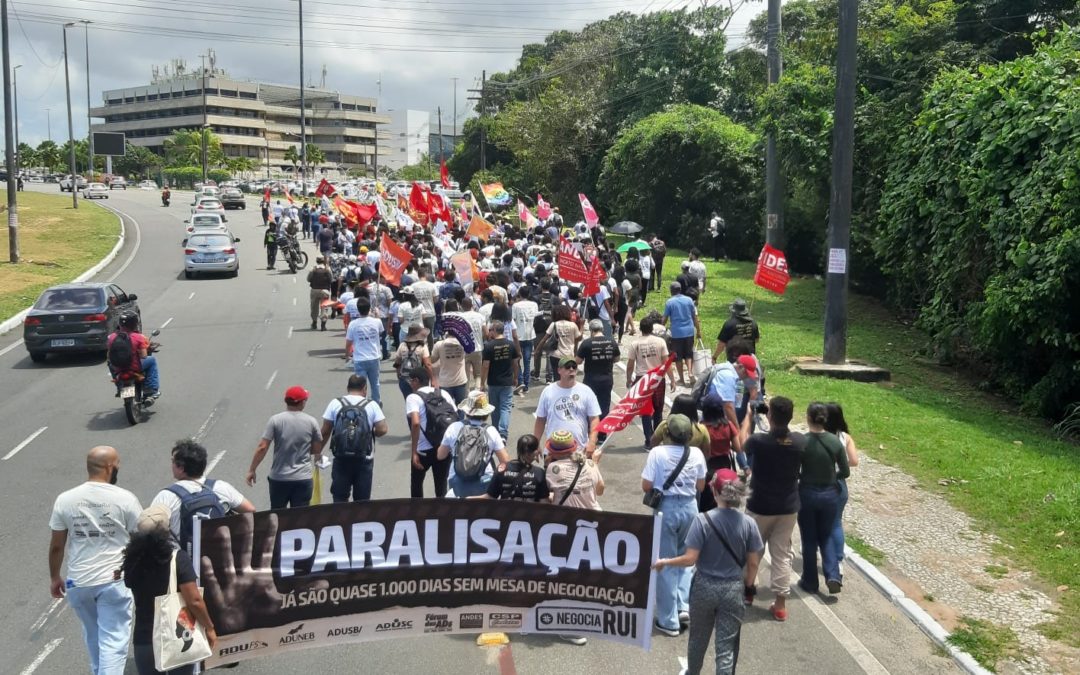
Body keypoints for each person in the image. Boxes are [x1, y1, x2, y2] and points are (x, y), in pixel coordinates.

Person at [653, 469, 763, 674]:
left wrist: (665, 561)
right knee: (726, 646)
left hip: (704, 586)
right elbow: (753, 564)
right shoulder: (749, 524)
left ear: (714, 491)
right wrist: (748, 586)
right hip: (732, 588)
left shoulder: (702, 521)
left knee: (698, 639)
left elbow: (690, 559)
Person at [49, 446, 143, 675]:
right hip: (113, 581)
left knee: (93, 635)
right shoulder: (125, 498)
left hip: (77, 583)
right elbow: (141, 538)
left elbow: (57, 546)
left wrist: (55, 578)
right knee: (113, 640)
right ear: (110, 467)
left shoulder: (65, 499)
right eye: (117, 464)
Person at [123, 505, 217, 675]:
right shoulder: (177, 559)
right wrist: (209, 627)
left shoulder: (132, 561)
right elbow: (194, 600)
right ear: (165, 532)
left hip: (144, 639)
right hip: (178, 637)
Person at [641, 414, 708, 637]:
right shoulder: (697, 453)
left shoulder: (657, 453)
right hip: (690, 506)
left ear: (667, 433)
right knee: (686, 559)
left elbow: (646, 484)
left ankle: (668, 620)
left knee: (664, 562)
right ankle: (683, 605)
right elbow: (700, 485)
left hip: (666, 508)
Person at [745, 396, 804, 621]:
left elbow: (742, 442)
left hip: (760, 504)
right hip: (788, 507)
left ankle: (748, 591)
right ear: (790, 417)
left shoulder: (759, 441)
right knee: (781, 554)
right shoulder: (799, 442)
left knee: (752, 549)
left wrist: (750, 416)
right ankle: (780, 604)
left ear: (769, 416)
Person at [151, 439, 254, 558]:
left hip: (185, 564)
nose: (171, 465)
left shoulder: (166, 497)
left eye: (172, 461)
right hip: (219, 558)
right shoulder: (220, 487)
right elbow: (250, 510)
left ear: (181, 468)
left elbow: (150, 531)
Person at [797, 402, 850, 595]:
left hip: (807, 493)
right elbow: (845, 471)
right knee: (826, 534)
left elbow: (796, 471)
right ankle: (833, 574)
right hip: (830, 494)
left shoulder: (802, 441)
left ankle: (810, 581)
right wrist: (831, 477)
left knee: (809, 538)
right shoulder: (835, 442)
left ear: (808, 418)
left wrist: (804, 478)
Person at [314, 374, 389, 502]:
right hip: (364, 459)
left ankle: (340, 520)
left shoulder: (335, 403)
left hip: (341, 458)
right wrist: (370, 433)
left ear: (347, 387)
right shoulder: (371, 405)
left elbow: (325, 431)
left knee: (340, 497)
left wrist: (317, 452)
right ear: (365, 389)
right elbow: (382, 429)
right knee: (362, 500)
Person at [246, 386, 323, 509]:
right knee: (300, 518)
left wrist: (252, 470)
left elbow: (262, 447)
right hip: (303, 478)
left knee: (277, 515)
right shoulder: (311, 421)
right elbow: (316, 449)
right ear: (302, 402)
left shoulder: (275, 420)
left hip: (279, 478)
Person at [436, 391, 509, 497]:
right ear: (486, 413)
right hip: (484, 483)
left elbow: (440, 455)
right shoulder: (491, 431)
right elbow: (505, 461)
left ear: (466, 411)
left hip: (457, 483)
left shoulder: (454, 428)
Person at [534, 356, 602, 460]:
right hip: (553, 451)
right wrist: (535, 443)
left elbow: (594, 418)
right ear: (559, 370)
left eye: (574, 366)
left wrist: (592, 442)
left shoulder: (586, 391)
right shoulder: (548, 391)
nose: (571, 369)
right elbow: (540, 419)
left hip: (579, 451)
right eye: (567, 367)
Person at [406, 368, 456, 498]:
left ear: (416, 381)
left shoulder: (413, 397)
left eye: (410, 380)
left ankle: (417, 515)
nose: (410, 384)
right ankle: (441, 515)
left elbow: (415, 423)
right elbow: (455, 418)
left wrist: (414, 452)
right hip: (443, 448)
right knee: (441, 485)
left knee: (416, 484)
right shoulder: (443, 393)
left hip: (423, 450)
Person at [825, 402, 860, 578]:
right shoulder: (845, 437)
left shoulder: (819, 436)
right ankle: (838, 561)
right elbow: (854, 461)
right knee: (836, 523)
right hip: (839, 485)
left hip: (820, 484)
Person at [625, 318, 669, 449]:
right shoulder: (660, 341)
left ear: (640, 329)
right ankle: (658, 438)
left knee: (645, 411)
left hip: (642, 379)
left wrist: (628, 379)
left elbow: (630, 364)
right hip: (658, 379)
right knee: (658, 410)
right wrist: (672, 379)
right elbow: (666, 363)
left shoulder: (635, 344)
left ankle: (649, 440)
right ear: (652, 329)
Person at [576, 318, 620, 431]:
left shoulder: (586, 343)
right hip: (607, 379)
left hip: (590, 379)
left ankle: (588, 430)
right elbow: (617, 359)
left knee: (588, 405)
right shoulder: (611, 341)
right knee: (604, 406)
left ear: (591, 330)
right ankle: (601, 433)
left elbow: (578, 361)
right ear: (602, 329)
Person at [107, 311, 161, 400]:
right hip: (134, 367)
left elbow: (109, 354)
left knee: (110, 363)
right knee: (151, 360)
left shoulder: (111, 337)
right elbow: (144, 356)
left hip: (118, 368)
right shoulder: (138, 337)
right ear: (134, 323)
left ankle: (119, 387)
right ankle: (150, 389)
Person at [481, 319, 520, 440]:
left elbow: (485, 365)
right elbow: (515, 363)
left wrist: (483, 382)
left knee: (495, 408)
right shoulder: (511, 344)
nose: (489, 332)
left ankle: (495, 431)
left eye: (490, 330)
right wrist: (516, 377)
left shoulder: (489, 346)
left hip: (493, 382)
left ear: (494, 331)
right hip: (507, 381)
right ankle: (503, 433)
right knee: (505, 408)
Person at [479, 435, 550, 502]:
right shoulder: (539, 473)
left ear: (518, 450)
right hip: (529, 514)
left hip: (505, 514)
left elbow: (490, 497)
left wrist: (469, 499)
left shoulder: (502, 469)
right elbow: (544, 502)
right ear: (535, 452)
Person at [546, 429, 604, 509]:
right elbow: (600, 491)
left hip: (566, 516)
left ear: (552, 452)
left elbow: (546, 494)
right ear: (573, 448)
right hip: (592, 516)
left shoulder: (552, 468)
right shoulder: (590, 464)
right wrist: (595, 464)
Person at [345, 296, 385, 406]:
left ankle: (363, 404)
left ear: (358, 310)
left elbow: (348, 342)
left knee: (361, 385)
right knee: (375, 383)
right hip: (374, 357)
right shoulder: (376, 322)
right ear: (369, 309)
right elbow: (381, 332)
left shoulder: (353, 324)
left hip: (360, 359)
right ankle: (376, 402)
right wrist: (377, 315)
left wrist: (347, 355)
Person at [663, 281, 702, 387]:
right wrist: (698, 331)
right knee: (689, 354)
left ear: (671, 291)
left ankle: (681, 379)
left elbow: (665, 318)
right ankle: (690, 372)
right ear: (680, 290)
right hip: (689, 331)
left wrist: (661, 328)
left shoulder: (669, 302)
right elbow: (695, 317)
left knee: (678, 357)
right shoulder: (689, 300)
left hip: (676, 333)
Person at [534, 304, 580, 383]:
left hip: (556, 355)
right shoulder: (573, 325)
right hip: (569, 355)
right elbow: (578, 338)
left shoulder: (554, 324)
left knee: (557, 378)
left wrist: (537, 350)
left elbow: (544, 339)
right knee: (569, 377)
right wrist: (581, 326)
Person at [393, 325, 436, 402]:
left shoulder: (402, 345)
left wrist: (399, 376)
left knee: (409, 403)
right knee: (421, 402)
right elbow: (427, 365)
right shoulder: (422, 347)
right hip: (419, 380)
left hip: (404, 379)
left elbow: (397, 363)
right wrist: (432, 379)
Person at [429, 328, 470, 404]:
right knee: (461, 406)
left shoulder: (439, 344)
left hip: (445, 382)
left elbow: (432, 360)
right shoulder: (464, 344)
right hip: (460, 381)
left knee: (447, 408)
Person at [511, 286, 539, 394]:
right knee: (527, 362)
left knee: (516, 360)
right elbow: (536, 318)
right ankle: (526, 384)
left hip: (518, 336)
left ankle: (521, 381)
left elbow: (513, 320)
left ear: (520, 294)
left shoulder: (515, 306)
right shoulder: (534, 304)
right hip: (530, 334)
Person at [410, 267, 439, 349]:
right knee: (430, 335)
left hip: (418, 313)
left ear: (418, 275)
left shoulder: (413, 286)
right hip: (430, 312)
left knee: (418, 335)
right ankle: (430, 352)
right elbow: (436, 299)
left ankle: (420, 352)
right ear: (425, 274)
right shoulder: (432, 285)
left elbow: (411, 300)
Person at [307, 256, 334, 330]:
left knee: (314, 307)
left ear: (316, 261)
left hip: (314, 290)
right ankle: (323, 325)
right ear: (323, 261)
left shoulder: (313, 269)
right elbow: (331, 279)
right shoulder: (327, 269)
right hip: (325, 290)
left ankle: (314, 322)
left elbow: (308, 279)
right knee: (324, 308)